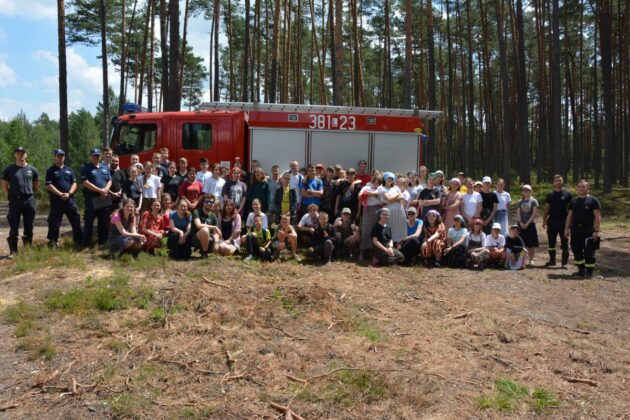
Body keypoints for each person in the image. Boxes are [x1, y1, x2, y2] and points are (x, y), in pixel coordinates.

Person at [2, 146, 39, 257]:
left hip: (29, 200)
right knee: (14, 226)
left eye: (22, 153)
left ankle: (27, 250)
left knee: (29, 226)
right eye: (18, 153)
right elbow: (4, 184)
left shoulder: (32, 169)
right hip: (15, 201)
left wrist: (31, 194)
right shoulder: (9, 169)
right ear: (15, 155)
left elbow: (36, 184)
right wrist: (9, 195)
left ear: (26, 155)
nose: (20, 154)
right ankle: (13, 251)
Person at [45, 149, 82, 248]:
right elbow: (49, 185)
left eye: (62, 156)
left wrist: (69, 194)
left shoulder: (69, 170)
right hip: (57, 200)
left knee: (76, 220)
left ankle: (78, 241)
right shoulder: (50, 170)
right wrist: (61, 194)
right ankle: (53, 242)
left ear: (64, 157)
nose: (60, 157)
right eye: (58, 156)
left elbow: (74, 183)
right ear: (55, 157)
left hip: (69, 200)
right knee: (54, 222)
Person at [564, 180, 601, 278]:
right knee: (576, 249)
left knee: (589, 251)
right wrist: (566, 229)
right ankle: (581, 270)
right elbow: (569, 216)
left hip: (588, 229)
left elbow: (597, 217)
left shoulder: (593, 200)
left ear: (587, 188)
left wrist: (596, 231)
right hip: (575, 229)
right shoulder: (574, 201)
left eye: (583, 186)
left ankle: (589, 272)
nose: (581, 188)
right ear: (577, 188)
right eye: (580, 186)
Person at [81, 148, 112, 248]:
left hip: (103, 198)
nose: (96, 157)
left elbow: (109, 180)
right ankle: (87, 244)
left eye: (98, 155)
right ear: (90, 156)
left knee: (103, 221)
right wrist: (100, 191)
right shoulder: (86, 167)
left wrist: (106, 190)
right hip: (91, 199)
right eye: (94, 155)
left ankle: (102, 243)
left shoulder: (104, 166)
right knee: (89, 221)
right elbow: (86, 183)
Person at [543, 175, 572, 268]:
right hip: (552, 222)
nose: (558, 182)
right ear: (553, 183)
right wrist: (544, 220)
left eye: (560, 180)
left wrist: (570, 223)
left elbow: (571, 210)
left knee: (564, 243)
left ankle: (564, 263)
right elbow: (547, 208)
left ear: (562, 182)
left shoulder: (567, 194)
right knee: (551, 243)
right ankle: (552, 261)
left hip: (564, 222)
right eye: (556, 180)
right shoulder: (550, 195)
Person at [358, 171, 383, 259]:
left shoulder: (380, 188)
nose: (376, 183)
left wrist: (369, 194)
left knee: (374, 232)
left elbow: (380, 196)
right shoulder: (366, 187)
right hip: (367, 210)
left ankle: (372, 253)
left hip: (377, 210)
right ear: (372, 180)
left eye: (378, 182)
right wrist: (364, 194)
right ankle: (361, 252)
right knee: (365, 231)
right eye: (374, 181)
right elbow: (359, 196)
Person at [378, 172, 407, 243]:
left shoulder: (396, 187)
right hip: (389, 210)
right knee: (390, 227)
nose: (390, 180)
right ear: (385, 179)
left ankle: (399, 244)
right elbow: (388, 199)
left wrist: (392, 199)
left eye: (392, 178)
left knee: (399, 227)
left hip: (399, 210)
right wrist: (397, 195)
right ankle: (390, 243)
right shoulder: (381, 188)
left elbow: (402, 197)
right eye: (389, 178)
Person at [516, 184, 539, 266]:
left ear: (531, 191)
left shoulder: (534, 201)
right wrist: (521, 223)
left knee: (531, 244)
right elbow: (518, 213)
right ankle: (523, 260)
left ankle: (531, 260)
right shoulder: (520, 202)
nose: (526, 191)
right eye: (524, 190)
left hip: (531, 224)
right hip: (521, 225)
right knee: (522, 244)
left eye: (527, 190)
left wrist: (527, 224)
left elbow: (534, 214)